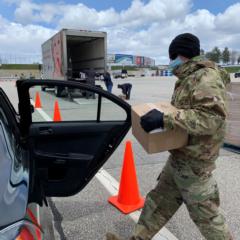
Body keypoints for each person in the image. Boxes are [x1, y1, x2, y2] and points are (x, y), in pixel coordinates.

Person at [106, 33, 233, 240]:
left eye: (171, 57)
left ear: (179, 55)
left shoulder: (205, 77)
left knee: (208, 220)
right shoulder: (188, 78)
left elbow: (212, 119)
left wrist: (165, 119)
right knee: (157, 204)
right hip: (179, 159)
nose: (170, 62)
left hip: (195, 165)